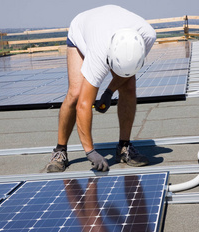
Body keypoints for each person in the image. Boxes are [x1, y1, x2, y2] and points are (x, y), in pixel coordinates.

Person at [46, 5, 156, 173]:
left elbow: (128, 71)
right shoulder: (98, 53)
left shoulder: (147, 36)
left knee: (129, 87)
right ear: (109, 58)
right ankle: (60, 150)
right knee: (75, 94)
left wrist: (109, 92)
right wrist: (91, 152)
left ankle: (124, 147)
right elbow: (83, 105)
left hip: (108, 26)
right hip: (82, 30)